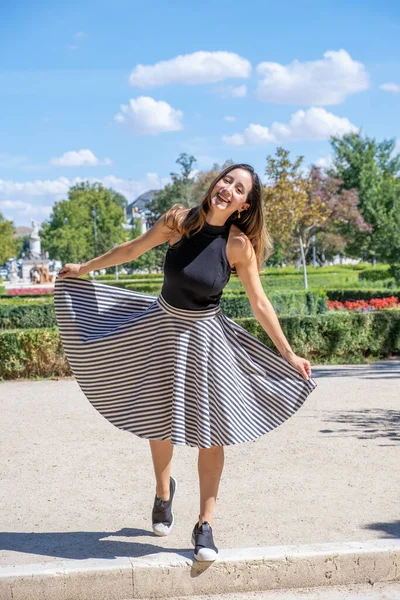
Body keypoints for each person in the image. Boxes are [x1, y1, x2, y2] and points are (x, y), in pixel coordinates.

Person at [54, 163, 317, 562]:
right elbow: (130, 250)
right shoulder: (177, 222)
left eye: (239, 188)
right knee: (158, 420)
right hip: (160, 330)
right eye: (226, 180)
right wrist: (84, 269)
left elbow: (260, 303)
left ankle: (205, 524)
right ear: (215, 185)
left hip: (207, 342)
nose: (228, 188)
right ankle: (163, 492)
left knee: (212, 433)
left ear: (244, 205)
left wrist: (288, 353)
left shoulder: (237, 246)